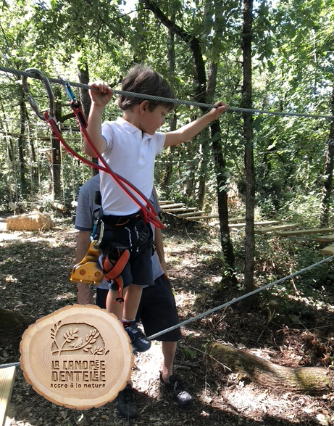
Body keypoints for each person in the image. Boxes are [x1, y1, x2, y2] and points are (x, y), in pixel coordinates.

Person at [84, 64, 226, 352]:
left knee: (140, 280)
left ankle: (128, 325)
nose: (163, 122)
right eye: (162, 114)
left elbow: (183, 134)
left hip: (140, 224)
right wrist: (96, 108)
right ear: (144, 106)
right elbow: (92, 148)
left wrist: (211, 116)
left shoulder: (152, 140)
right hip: (116, 228)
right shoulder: (113, 131)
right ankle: (114, 329)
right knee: (119, 284)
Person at [74, 173, 193, 419]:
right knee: (118, 334)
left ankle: (168, 374)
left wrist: (163, 262)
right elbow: (83, 238)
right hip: (112, 277)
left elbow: (155, 225)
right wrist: (83, 289)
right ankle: (125, 385)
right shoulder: (89, 190)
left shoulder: (144, 182)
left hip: (152, 272)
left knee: (169, 326)